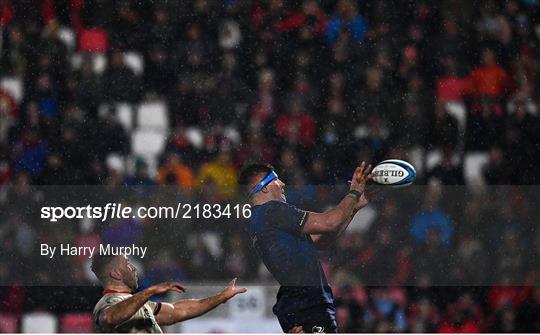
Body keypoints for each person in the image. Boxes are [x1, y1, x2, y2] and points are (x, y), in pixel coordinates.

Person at [238, 162, 372, 333]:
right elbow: (330, 222)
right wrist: (354, 191)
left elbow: (321, 241)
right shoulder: (272, 210)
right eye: (276, 180)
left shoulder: (259, 220)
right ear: (264, 187)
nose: (283, 184)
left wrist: (354, 207)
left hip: (301, 307)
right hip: (309, 306)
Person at [90, 254, 246, 333]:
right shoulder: (107, 303)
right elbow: (110, 317)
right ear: (116, 274)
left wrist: (221, 297)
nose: (134, 269)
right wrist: (151, 290)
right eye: (128, 264)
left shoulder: (140, 305)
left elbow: (179, 311)